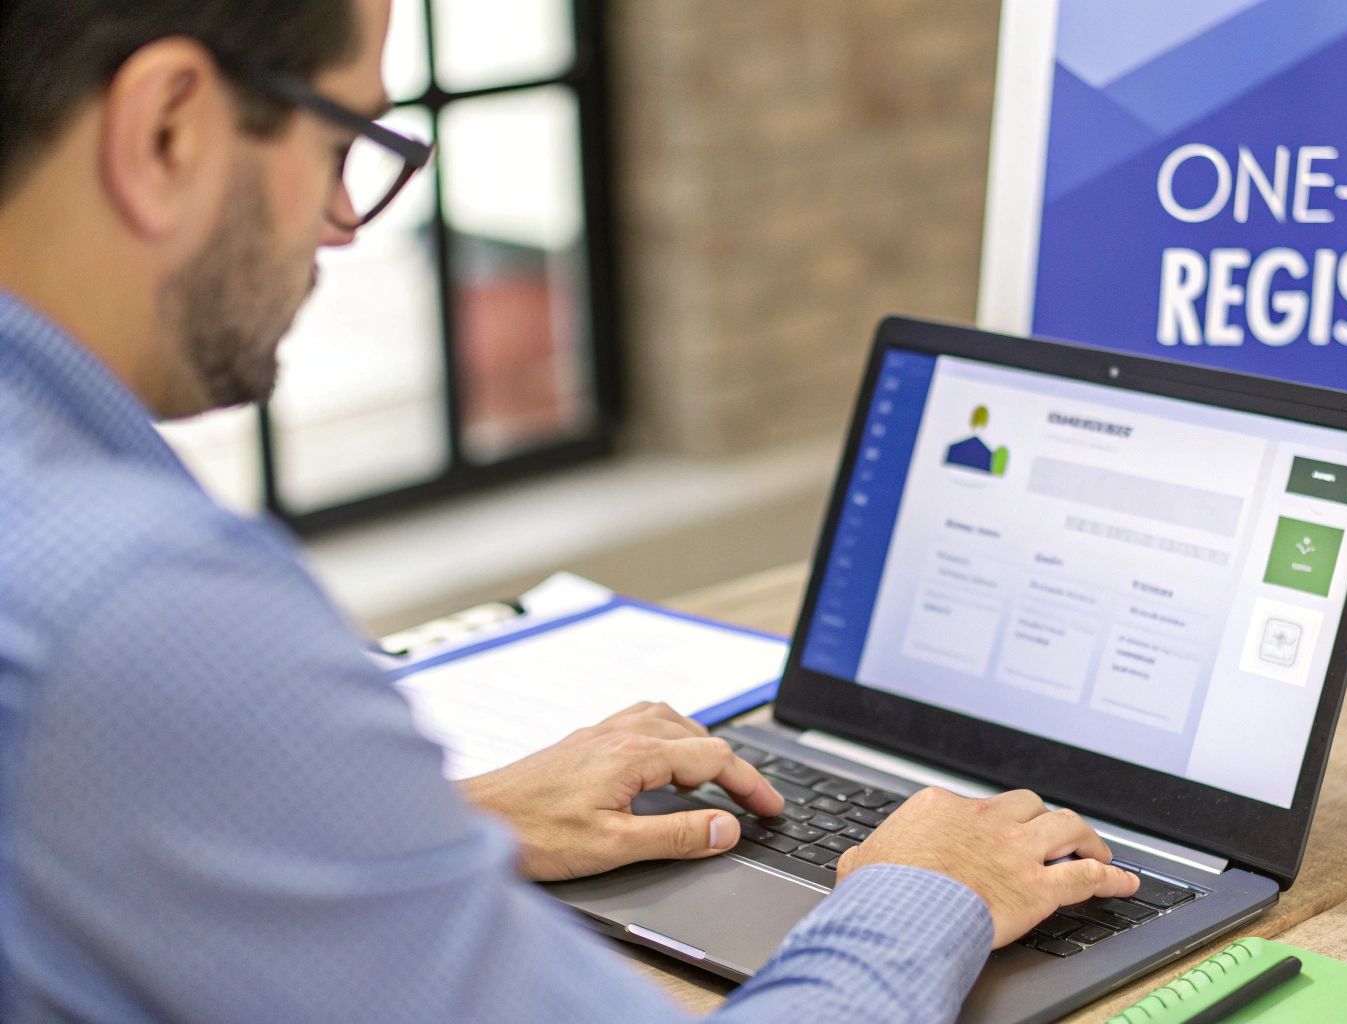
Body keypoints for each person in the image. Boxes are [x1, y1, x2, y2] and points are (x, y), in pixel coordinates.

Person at [0, 1, 1141, 1020]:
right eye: (344, 140)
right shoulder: (140, 606)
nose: (344, 220)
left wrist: (447, 827)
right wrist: (924, 891)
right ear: (168, 130)